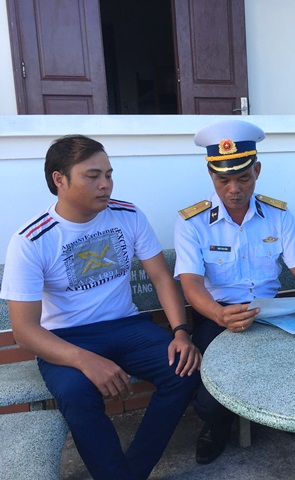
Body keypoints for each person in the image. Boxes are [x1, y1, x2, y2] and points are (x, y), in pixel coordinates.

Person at [0, 135, 201, 480]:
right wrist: (84, 360)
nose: (105, 184)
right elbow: (25, 331)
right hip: (65, 338)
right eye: (92, 176)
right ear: (59, 179)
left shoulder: (127, 215)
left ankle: (130, 472)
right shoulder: (32, 240)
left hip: (126, 325)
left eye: (108, 174)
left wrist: (180, 332)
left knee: (184, 370)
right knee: (76, 395)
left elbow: (161, 278)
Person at [174, 119, 295, 465]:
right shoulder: (191, 222)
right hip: (219, 314)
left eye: (243, 178)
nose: (234, 189)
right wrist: (219, 315)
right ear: (210, 175)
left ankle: (286, 416)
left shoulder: (277, 215)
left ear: (257, 170)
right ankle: (217, 425)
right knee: (209, 399)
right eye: (223, 180)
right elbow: (191, 285)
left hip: (271, 311)